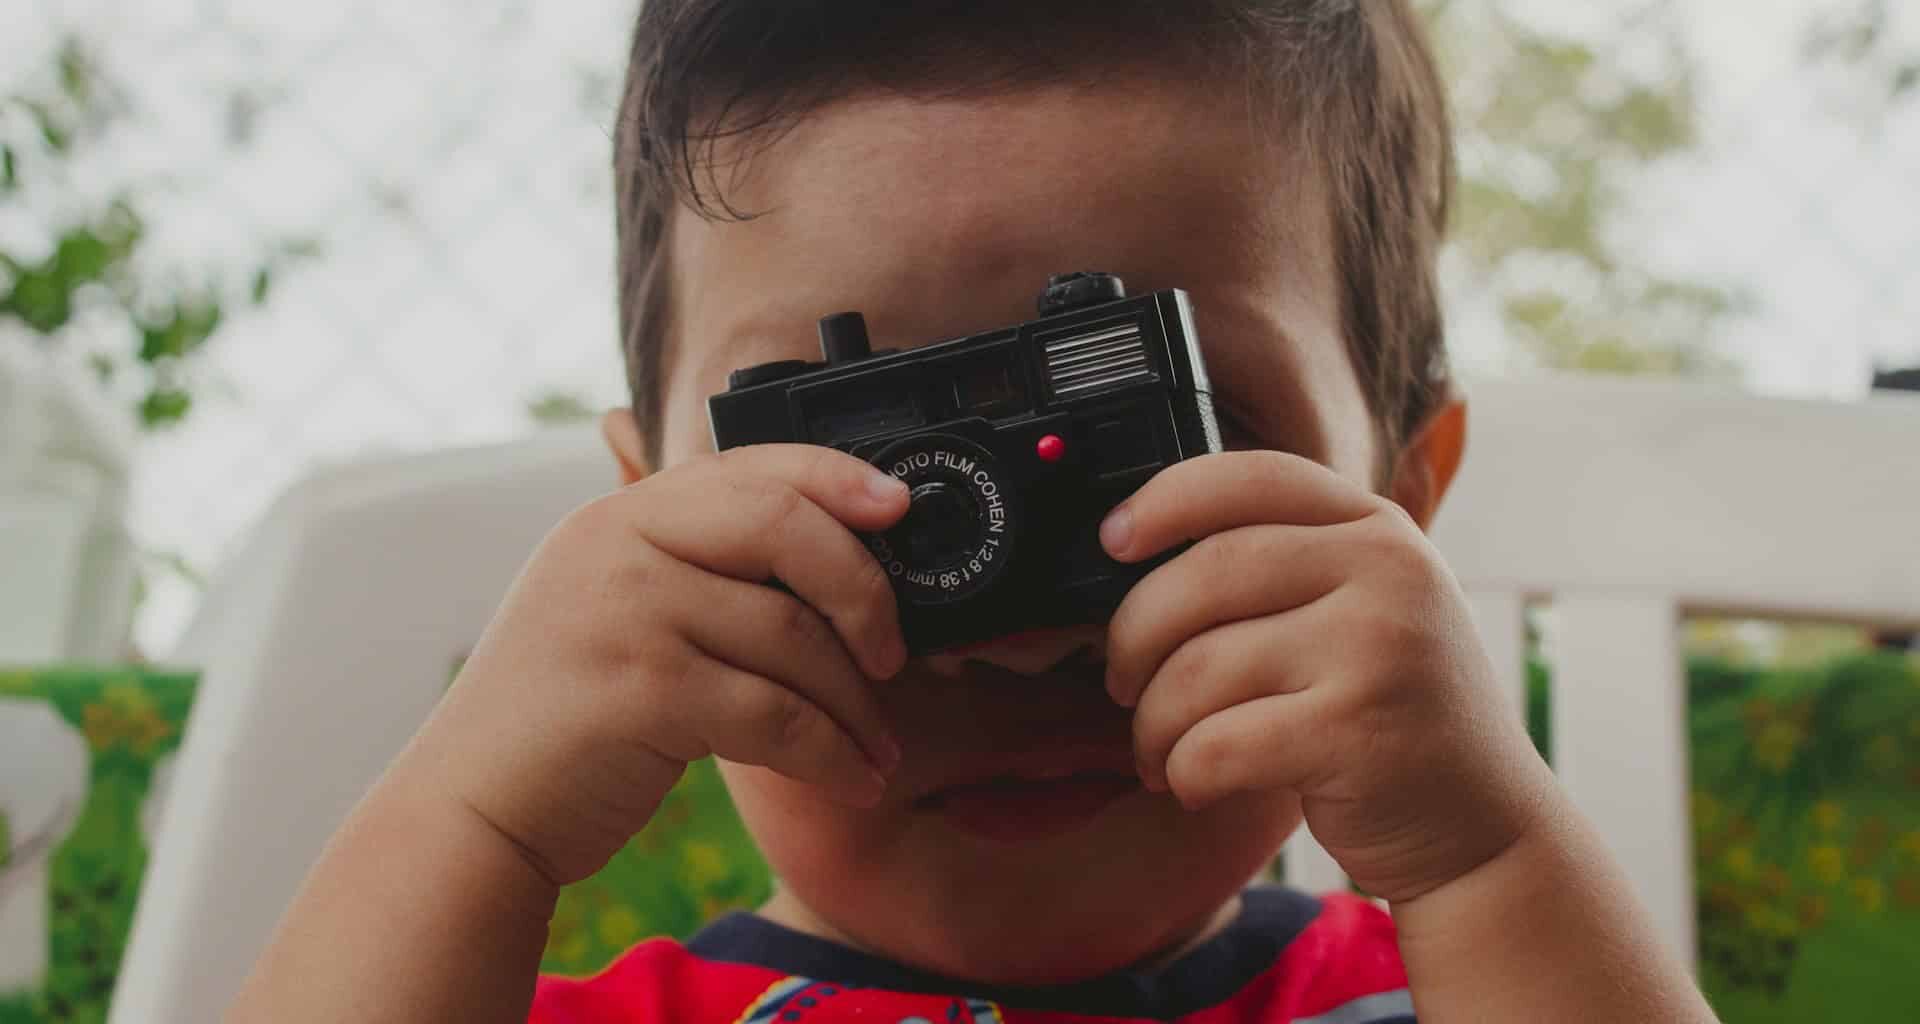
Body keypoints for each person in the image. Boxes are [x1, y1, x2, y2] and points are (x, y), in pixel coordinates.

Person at [231, 2, 1721, 1021]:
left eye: (1161, 431)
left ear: (1400, 497)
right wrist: (476, 821)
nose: (1010, 638)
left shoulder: (1467, 985)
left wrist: (1485, 858)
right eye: (856, 466)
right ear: (647, 518)